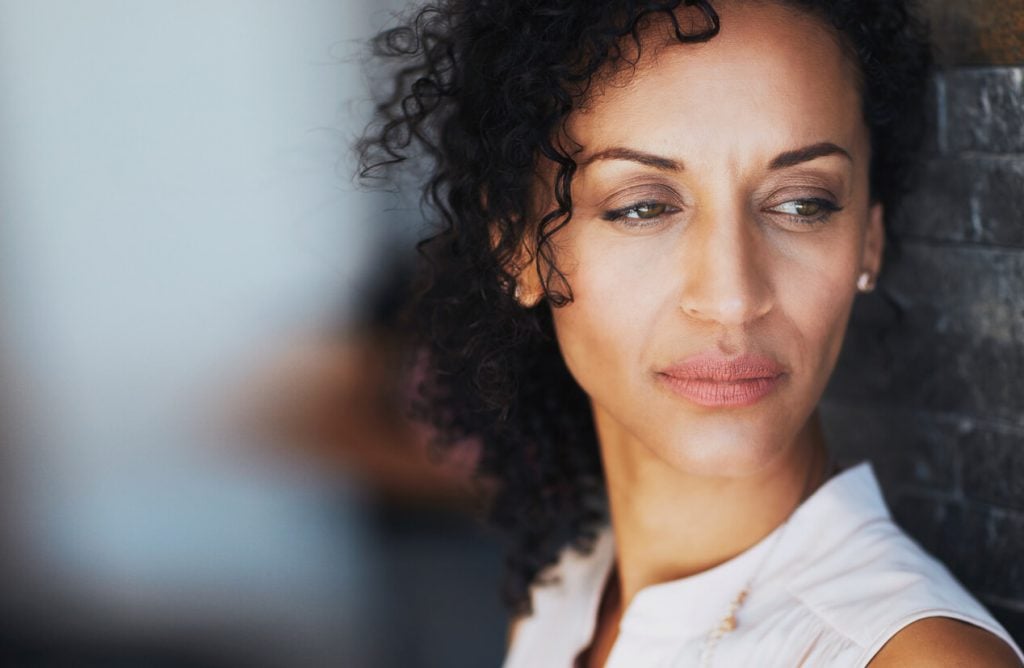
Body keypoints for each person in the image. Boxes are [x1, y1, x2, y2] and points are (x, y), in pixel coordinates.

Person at [358, 0, 1024, 665]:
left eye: (801, 204)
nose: (733, 298)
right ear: (519, 250)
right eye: (643, 207)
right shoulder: (562, 602)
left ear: (867, 240)